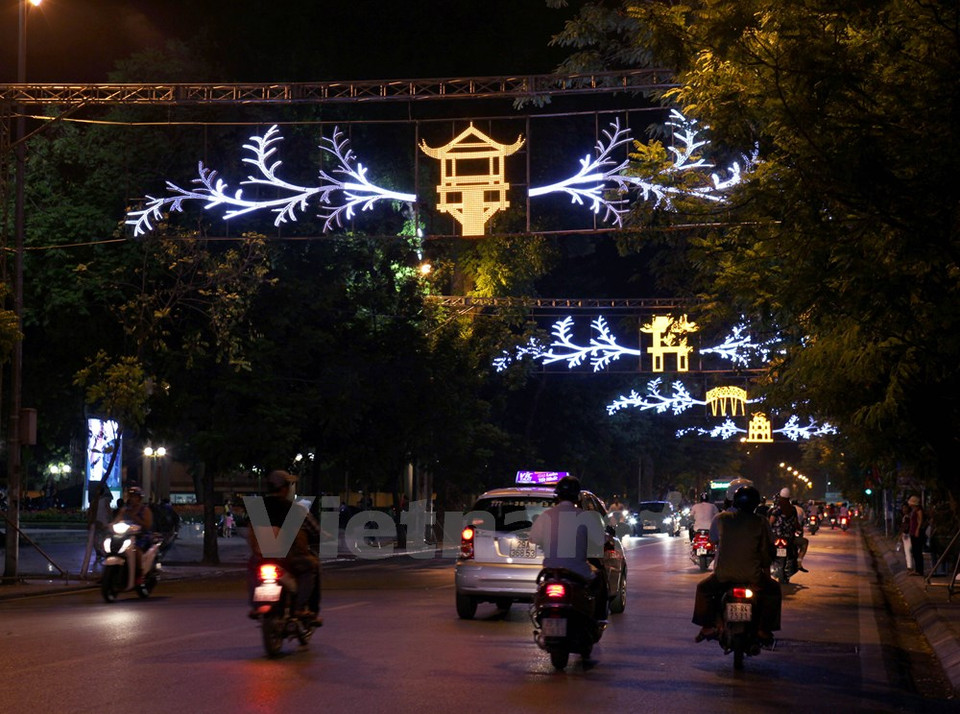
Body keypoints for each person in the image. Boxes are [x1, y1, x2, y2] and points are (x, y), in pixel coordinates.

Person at [693, 485, 782, 645]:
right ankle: (763, 629)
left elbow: (713, 540)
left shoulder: (721, 518)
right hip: (753, 576)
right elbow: (768, 549)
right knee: (774, 590)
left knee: (703, 589)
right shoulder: (761, 522)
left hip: (722, 575)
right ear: (756, 504)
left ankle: (707, 627)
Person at [529, 475, 608, 620]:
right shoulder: (585, 517)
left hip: (551, 573)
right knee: (601, 580)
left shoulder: (546, 516)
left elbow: (533, 538)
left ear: (557, 496)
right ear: (577, 497)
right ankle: (599, 620)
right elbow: (600, 540)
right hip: (579, 573)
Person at [247, 470, 322, 624]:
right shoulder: (296, 510)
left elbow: (247, 530)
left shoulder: (256, 508)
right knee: (312, 567)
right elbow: (316, 531)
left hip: (262, 557)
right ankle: (302, 608)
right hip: (290, 559)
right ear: (283, 489)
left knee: (252, 567)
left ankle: (256, 605)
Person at [112, 486, 154, 582]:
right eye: (131, 496)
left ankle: (139, 574)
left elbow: (148, 525)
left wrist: (136, 518)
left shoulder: (145, 510)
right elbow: (117, 519)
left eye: (134, 496)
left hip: (141, 536)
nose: (132, 498)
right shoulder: (125, 509)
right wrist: (111, 525)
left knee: (136, 551)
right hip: (126, 536)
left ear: (139, 498)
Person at [80, 482, 113, 578]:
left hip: (100, 522)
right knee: (99, 539)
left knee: (99, 539)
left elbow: (92, 512)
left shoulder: (97, 501)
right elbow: (107, 511)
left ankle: (101, 552)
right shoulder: (96, 501)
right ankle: (101, 552)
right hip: (101, 522)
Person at [907, 495, 925, 577]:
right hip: (913, 532)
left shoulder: (919, 510)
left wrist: (917, 530)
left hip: (917, 533)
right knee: (914, 551)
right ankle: (917, 569)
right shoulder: (913, 510)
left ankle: (920, 570)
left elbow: (920, 521)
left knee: (917, 552)